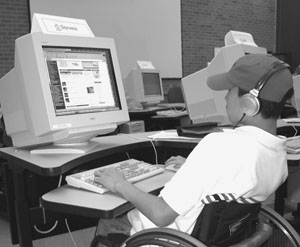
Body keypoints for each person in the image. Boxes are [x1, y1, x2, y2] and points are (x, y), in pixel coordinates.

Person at [91, 54, 294, 247]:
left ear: (249, 103)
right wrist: (193, 169)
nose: (225, 97)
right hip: (216, 239)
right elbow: (229, 183)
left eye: (230, 90)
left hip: (163, 240)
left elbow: (161, 214)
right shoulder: (278, 153)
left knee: (108, 220)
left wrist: (120, 183)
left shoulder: (219, 146)